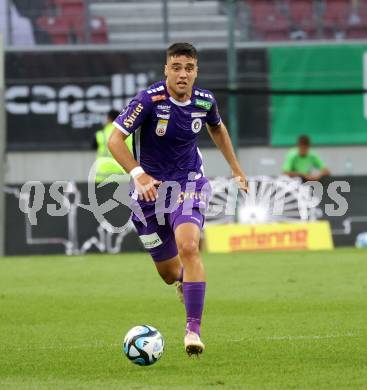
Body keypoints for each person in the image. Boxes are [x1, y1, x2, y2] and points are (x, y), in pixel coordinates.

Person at [108, 42, 248, 356]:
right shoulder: (148, 100)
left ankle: (193, 331)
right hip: (149, 192)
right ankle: (185, 282)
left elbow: (218, 128)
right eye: (176, 67)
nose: (182, 74)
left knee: (189, 246)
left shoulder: (204, 100)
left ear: (196, 71)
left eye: (189, 68)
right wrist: (138, 174)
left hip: (189, 184)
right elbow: (114, 139)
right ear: (166, 70)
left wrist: (236, 169)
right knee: (170, 273)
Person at [94, 110, 132, 183]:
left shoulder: (101, 134)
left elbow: (93, 146)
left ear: (108, 118)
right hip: (122, 175)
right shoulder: (129, 134)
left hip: (102, 176)